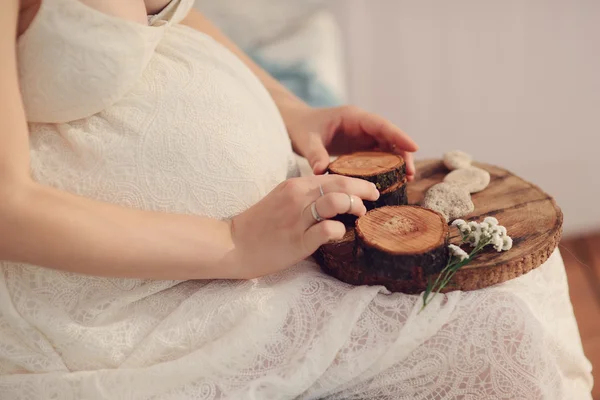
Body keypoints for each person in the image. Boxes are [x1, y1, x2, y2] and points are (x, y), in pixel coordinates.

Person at [0, 1, 592, 399]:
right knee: (497, 336)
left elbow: (171, 18)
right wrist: (230, 241)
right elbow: (8, 205)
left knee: (515, 295)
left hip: (252, 235)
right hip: (120, 292)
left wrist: (290, 109)